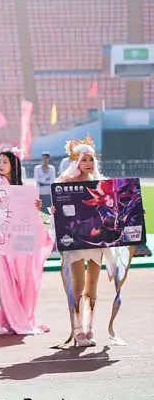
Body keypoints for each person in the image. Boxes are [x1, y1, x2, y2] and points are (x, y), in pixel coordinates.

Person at [55, 136, 132, 347]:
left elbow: (115, 209)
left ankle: (89, 329)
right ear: (76, 161)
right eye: (83, 159)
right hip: (76, 242)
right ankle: (78, 331)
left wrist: (131, 211)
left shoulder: (102, 184)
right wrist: (54, 211)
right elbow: (59, 212)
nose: (88, 163)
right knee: (78, 286)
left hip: (97, 243)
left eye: (91, 159)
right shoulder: (65, 183)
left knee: (92, 288)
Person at [0, 148, 50, 336]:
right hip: (3, 241)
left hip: (22, 240)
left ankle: (22, 317)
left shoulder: (23, 188)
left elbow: (27, 214)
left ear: (14, 165)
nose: (0, 165)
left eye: (5, 162)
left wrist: (35, 206)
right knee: (6, 281)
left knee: (24, 279)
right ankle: (10, 319)